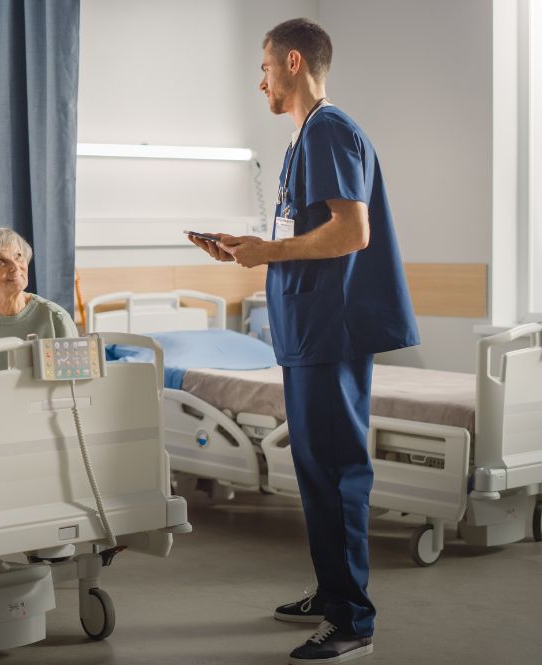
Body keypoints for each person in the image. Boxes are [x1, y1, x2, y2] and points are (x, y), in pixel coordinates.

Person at [188, 18, 418, 665]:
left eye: (264, 67)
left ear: (293, 62)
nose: (259, 79)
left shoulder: (331, 131)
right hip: (306, 328)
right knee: (315, 470)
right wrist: (248, 247)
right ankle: (331, 590)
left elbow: (352, 232)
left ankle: (353, 621)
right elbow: (305, 236)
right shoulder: (302, 141)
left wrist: (271, 249)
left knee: (338, 469)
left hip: (331, 329)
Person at [0, 228, 78, 369]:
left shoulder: (56, 318)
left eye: (18, 256)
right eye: (1, 262)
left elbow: (74, 385)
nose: (15, 267)